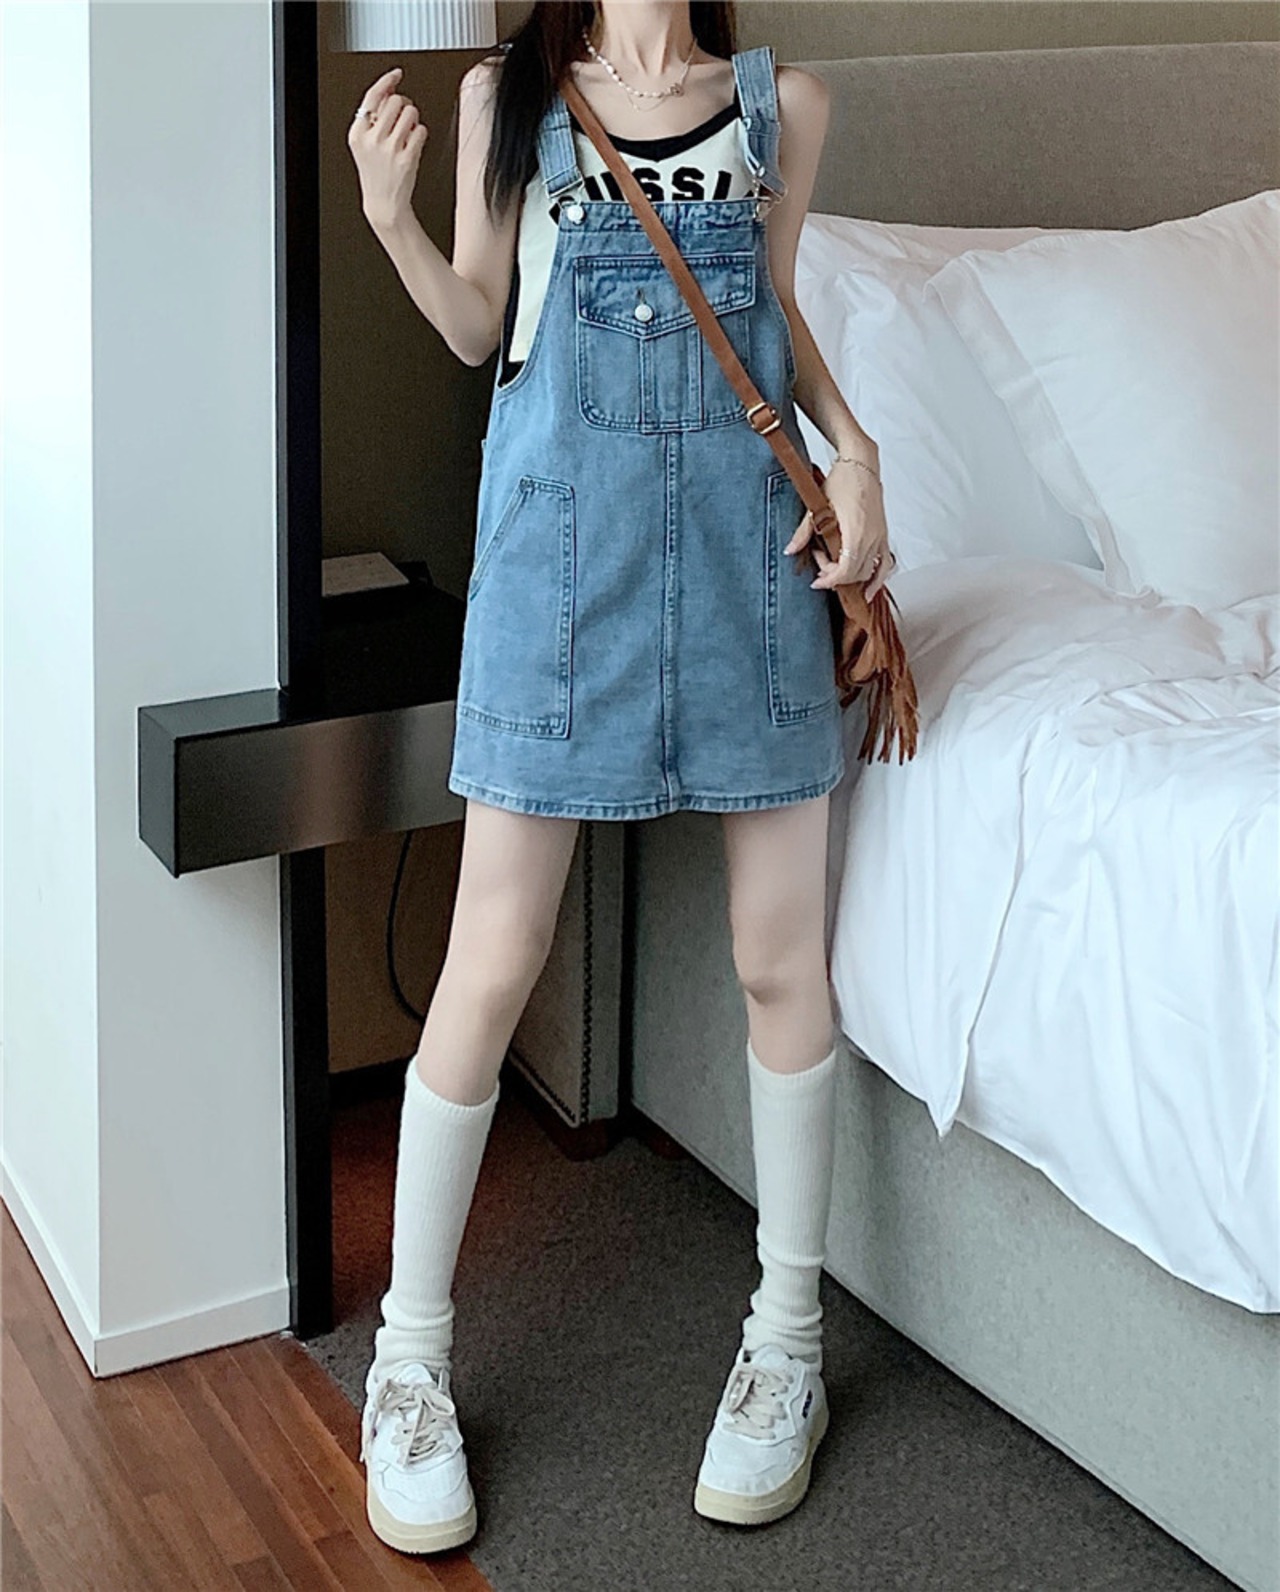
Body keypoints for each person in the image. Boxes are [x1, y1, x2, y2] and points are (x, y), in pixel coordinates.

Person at [345, 0, 895, 1556]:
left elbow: (768, 314)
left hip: (746, 574)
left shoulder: (786, 107)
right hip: (556, 576)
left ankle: (787, 1346)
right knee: (490, 958)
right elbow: (479, 325)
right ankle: (406, 1368)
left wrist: (856, 454)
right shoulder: (507, 96)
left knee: (781, 960)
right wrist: (389, 218)